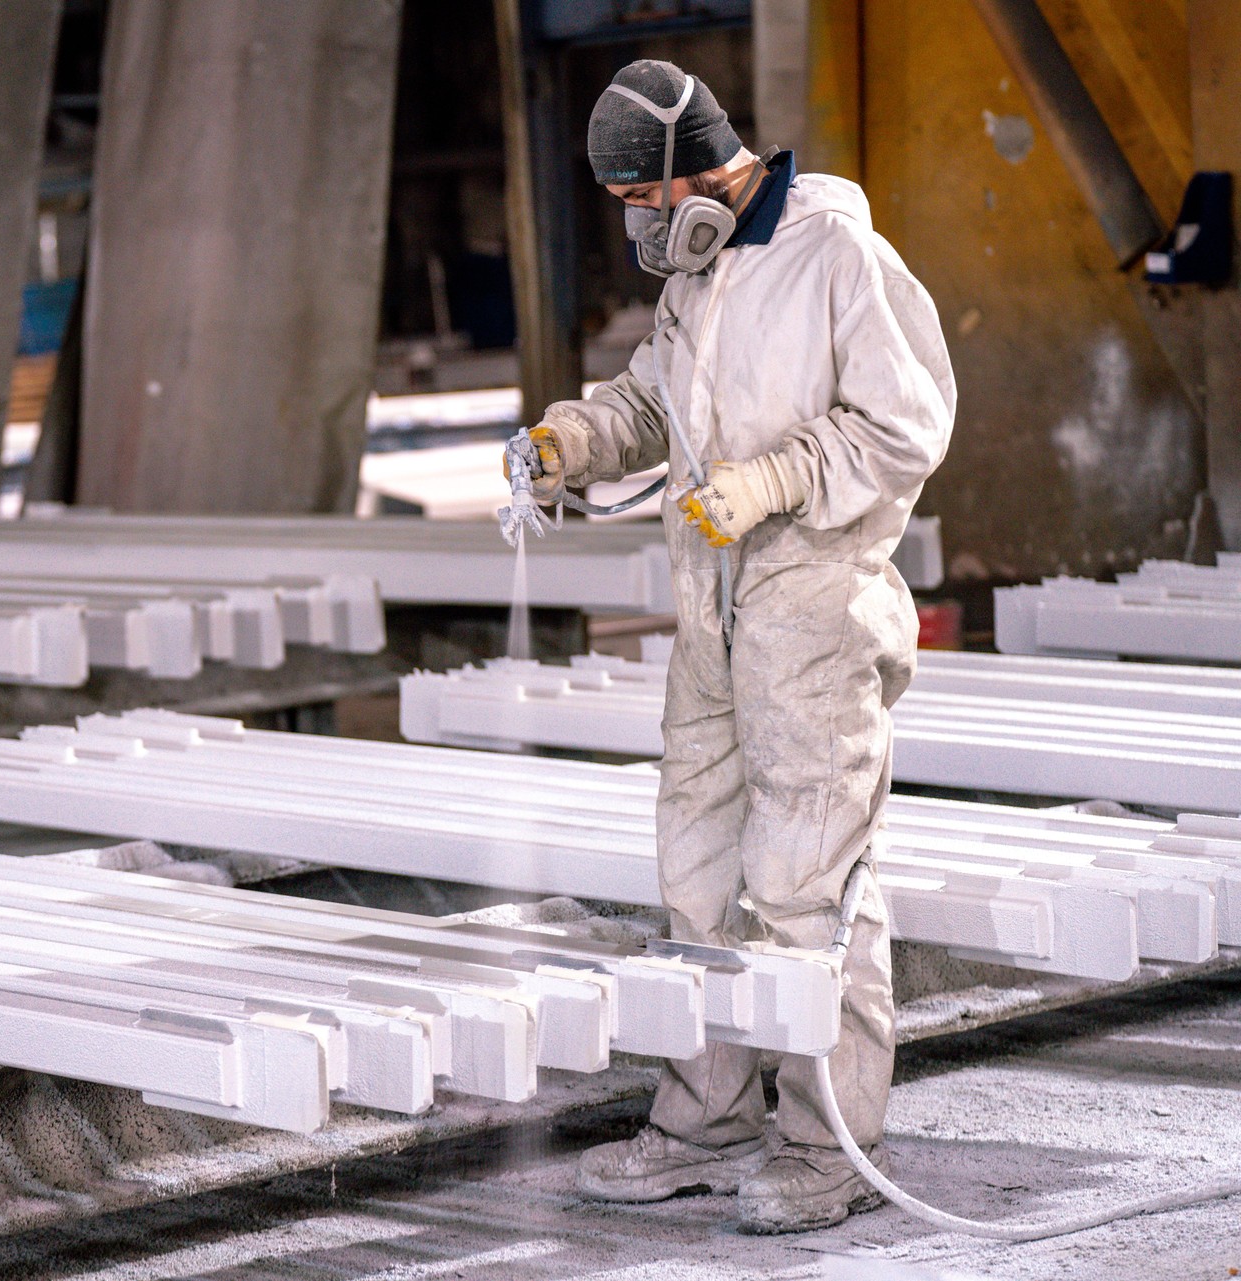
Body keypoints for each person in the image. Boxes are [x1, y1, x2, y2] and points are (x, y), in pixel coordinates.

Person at [513, 59, 955, 1233]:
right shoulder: (700, 274)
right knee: (698, 880)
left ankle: (828, 1146)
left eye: (637, 204)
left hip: (814, 606)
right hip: (712, 614)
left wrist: (774, 480)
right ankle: (704, 1119)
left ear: (696, 176)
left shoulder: (835, 255)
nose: (637, 229)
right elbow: (658, 402)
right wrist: (574, 440)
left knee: (810, 890)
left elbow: (906, 425)